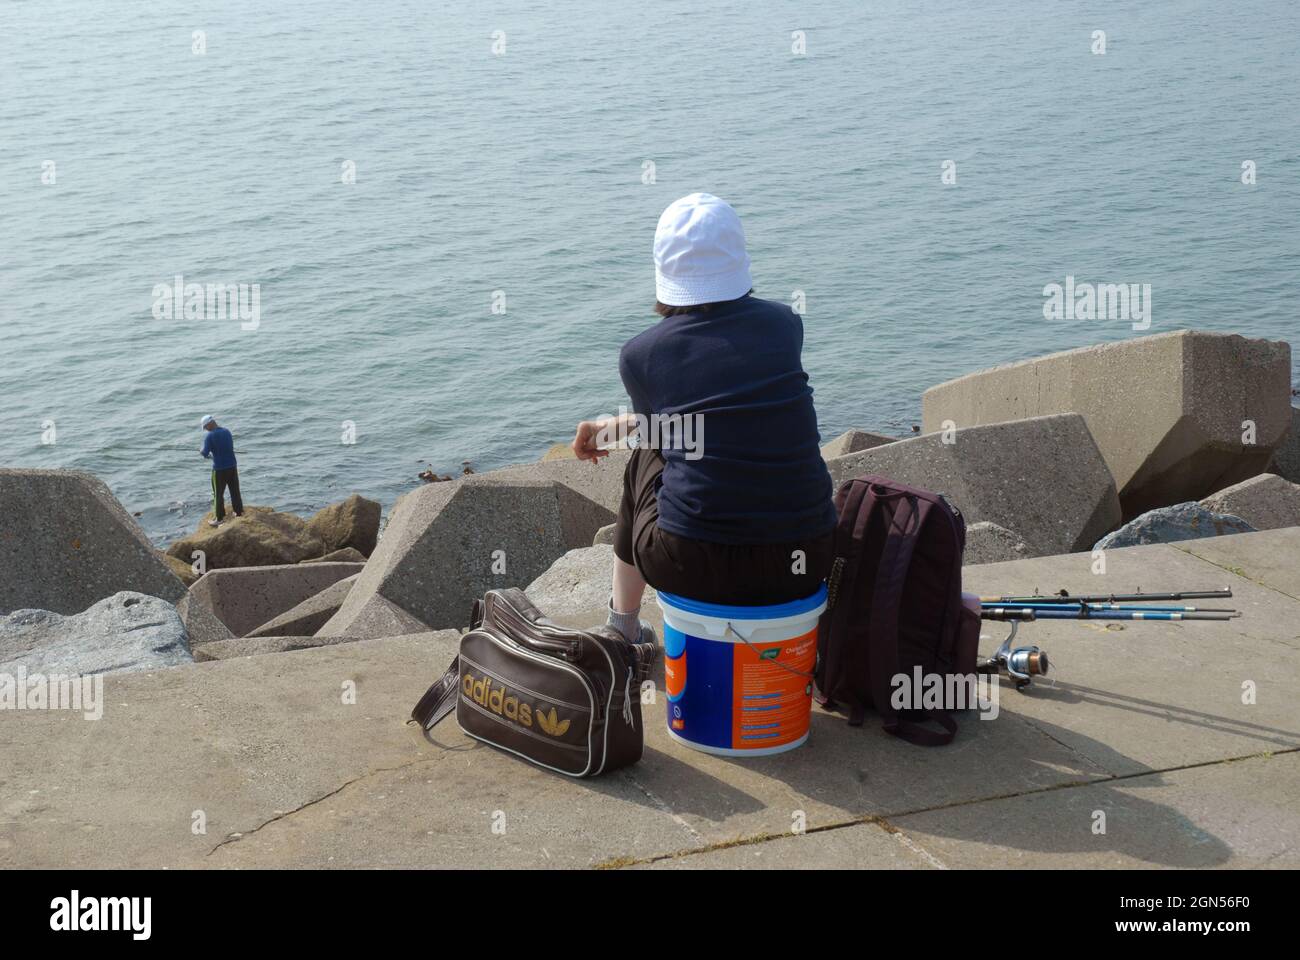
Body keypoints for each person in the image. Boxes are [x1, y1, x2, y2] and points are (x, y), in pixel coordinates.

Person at [571, 193, 837, 646]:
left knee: (646, 459)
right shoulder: (785, 325)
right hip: (807, 558)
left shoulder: (641, 354)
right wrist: (609, 428)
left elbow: (665, 429)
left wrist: (608, 431)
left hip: (692, 566)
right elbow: (711, 411)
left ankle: (623, 628)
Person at [199, 415, 243, 527]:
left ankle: (219, 518)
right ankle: (238, 513)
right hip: (232, 466)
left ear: (210, 424)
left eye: (205, 427)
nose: (206, 429)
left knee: (218, 494)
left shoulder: (210, 436)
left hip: (219, 469)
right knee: (235, 491)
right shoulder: (227, 431)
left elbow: (205, 453)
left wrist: (203, 452)